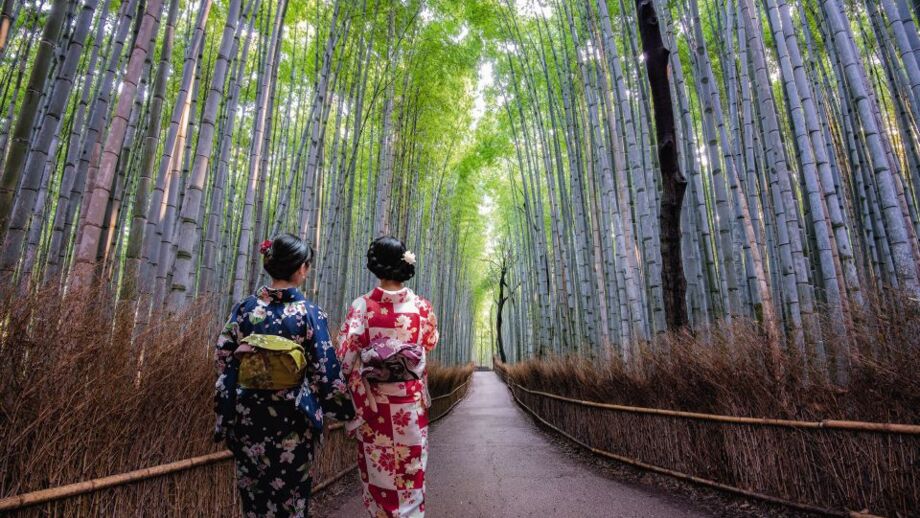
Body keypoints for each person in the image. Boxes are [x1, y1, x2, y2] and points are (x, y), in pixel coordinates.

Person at [214, 233, 354, 518]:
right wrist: (344, 409)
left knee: (253, 501)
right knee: (292, 501)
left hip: (248, 418)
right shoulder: (310, 313)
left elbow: (223, 358)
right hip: (293, 421)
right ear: (302, 268)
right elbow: (326, 372)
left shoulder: (246, 309)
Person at [337, 236, 440, 518]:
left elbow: (344, 359)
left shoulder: (362, 306)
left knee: (378, 479)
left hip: (375, 408)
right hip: (411, 406)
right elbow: (429, 343)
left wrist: (354, 394)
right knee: (411, 475)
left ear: (375, 265)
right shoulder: (422, 307)